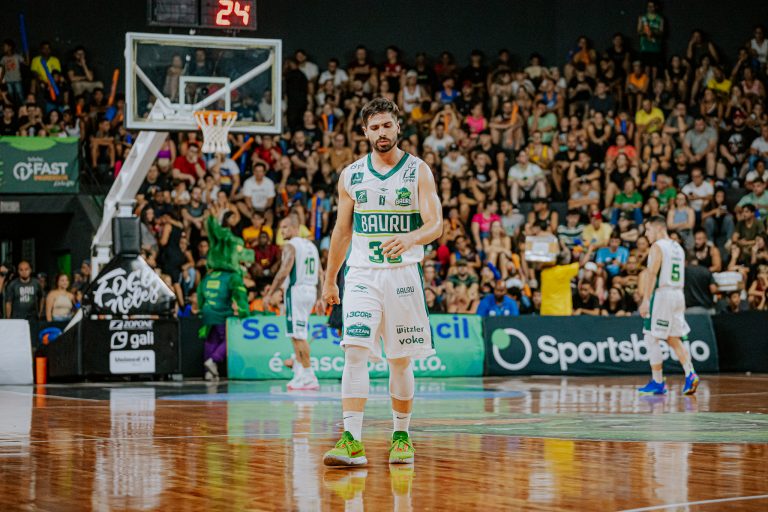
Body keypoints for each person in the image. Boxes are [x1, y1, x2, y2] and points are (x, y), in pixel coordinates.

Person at [321, 98, 442, 467]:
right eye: (374, 127)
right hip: (361, 274)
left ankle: (401, 436)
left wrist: (411, 238)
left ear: (397, 127)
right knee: (354, 351)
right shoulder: (351, 175)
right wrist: (330, 281)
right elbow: (341, 232)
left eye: (387, 125)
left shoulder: (418, 170)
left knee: (400, 360)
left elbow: (436, 224)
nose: (381, 132)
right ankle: (351, 440)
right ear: (365, 132)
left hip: (403, 274)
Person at [638, 216, 699, 396]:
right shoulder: (678, 247)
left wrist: (645, 299)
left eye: (648, 229)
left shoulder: (657, 246)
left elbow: (651, 273)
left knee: (650, 336)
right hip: (678, 294)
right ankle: (690, 373)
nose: (646, 234)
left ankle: (658, 382)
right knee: (673, 338)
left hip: (663, 296)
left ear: (658, 228)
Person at [268, 214, 324, 391]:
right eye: (280, 228)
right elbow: (320, 273)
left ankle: (309, 375)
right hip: (310, 290)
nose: (282, 231)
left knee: (298, 336)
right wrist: (320, 297)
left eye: (285, 227)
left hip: (297, 290)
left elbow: (284, 271)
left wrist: (270, 292)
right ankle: (299, 373)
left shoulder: (291, 245)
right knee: (297, 335)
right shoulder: (312, 246)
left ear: (295, 228)